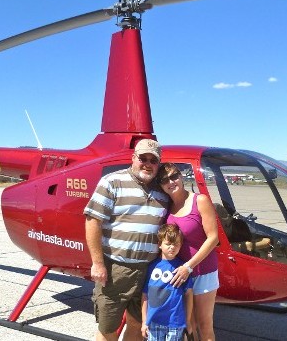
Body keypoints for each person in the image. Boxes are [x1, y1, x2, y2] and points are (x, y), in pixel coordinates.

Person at [84, 139, 170, 341]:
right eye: (143, 158)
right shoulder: (112, 182)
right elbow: (92, 221)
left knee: (138, 323)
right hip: (116, 270)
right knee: (108, 327)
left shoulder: (162, 191)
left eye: (153, 160)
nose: (147, 164)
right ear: (133, 158)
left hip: (148, 269)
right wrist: (97, 263)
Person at [157, 163, 219, 341]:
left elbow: (213, 238)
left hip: (202, 271)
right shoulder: (167, 205)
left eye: (174, 176)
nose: (171, 181)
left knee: (204, 325)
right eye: (164, 180)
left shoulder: (199, 200)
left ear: (181, 176)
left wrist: (188, 267)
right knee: (187, 324)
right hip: (179, 274)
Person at [141, 224, 194, 341]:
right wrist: (144, 321)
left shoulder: (182, 269)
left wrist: (188, 320)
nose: (172, 247)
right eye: (168, 244)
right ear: (160, 245)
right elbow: (145, 295)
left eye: (175, 244)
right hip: (154, 320)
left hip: (175, 321)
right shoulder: (152, 267)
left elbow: (189, 294)